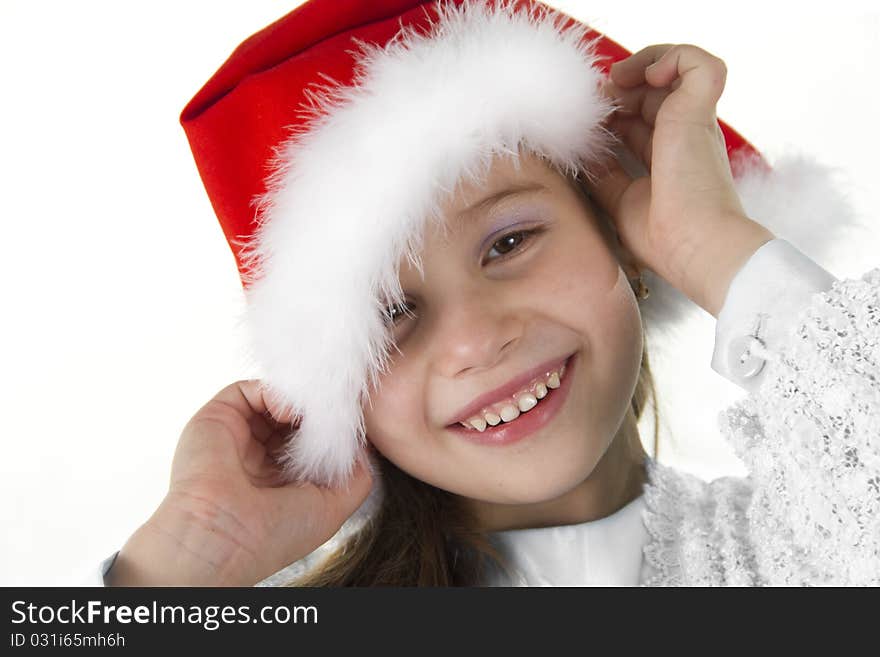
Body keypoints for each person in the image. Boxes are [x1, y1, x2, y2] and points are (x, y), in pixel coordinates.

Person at [84, 0, 878, 586]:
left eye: (508, 242)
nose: (475, 341)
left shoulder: (812, 551)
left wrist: (712, 245)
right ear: (335, 391)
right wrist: (191, 554)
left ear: (624, 236)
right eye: (389, 315)